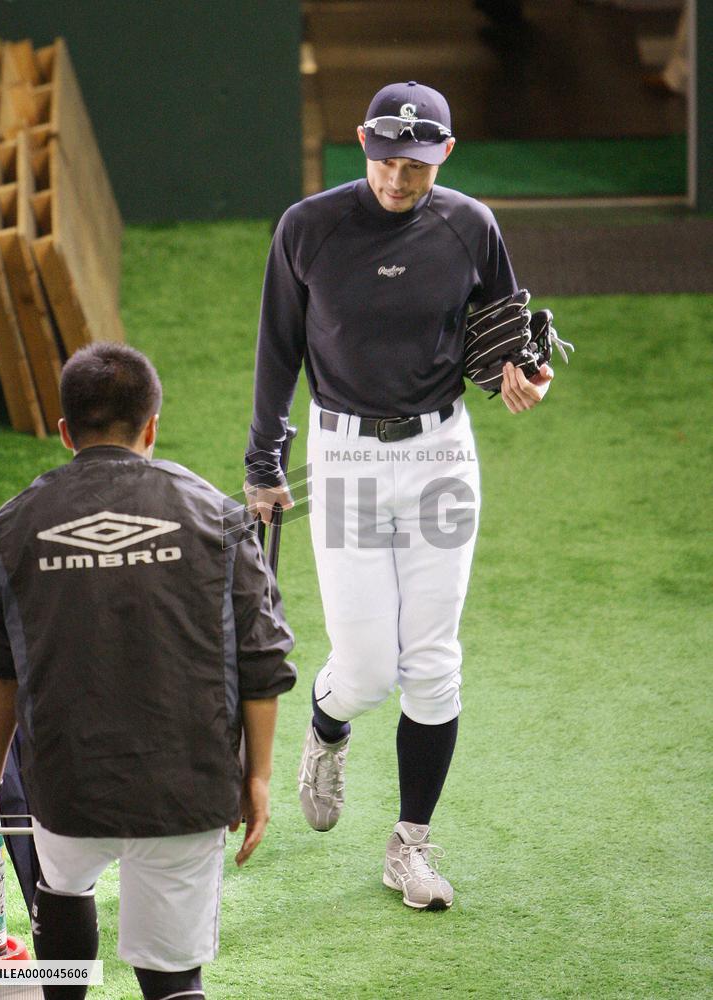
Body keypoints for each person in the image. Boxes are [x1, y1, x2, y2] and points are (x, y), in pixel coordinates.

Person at [244, 81, 552, 911]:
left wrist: (524, 373)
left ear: (442, 154)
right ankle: (328, 724)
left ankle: (408, 846)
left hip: (442, 456)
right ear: (360, 142)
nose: (395, 178)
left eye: (413, 165)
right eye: (383, 159)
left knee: (434, 665)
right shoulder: (307, 227)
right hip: (341, 456)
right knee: (369, 669)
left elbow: (503, 331)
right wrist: (263, 463)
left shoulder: (470, 224)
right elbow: (277, 351)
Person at [0, 343, 295, 999]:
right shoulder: (219, 515)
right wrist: (258, 776)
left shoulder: (9, 528)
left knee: (60, 889)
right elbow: (263, 661)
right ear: (151, 426)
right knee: (172, 976)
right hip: (184, 787)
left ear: (66, 432)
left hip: (65, 787)